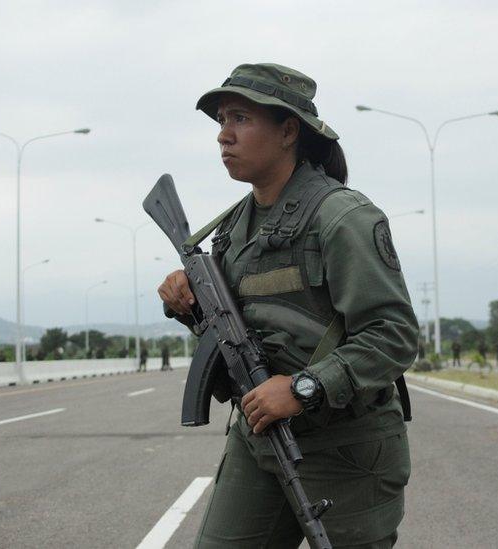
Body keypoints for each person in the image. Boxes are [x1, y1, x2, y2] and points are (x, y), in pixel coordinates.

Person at [158, 63, 417, 548]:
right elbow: (242, 336)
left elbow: (393, 335)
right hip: (261, 436)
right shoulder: (234, 229)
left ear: (288, 131)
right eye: (220, 122)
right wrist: (190, 306)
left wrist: (303, 387)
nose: (223, 136)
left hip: (346, 447)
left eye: (239, 118)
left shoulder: (342, 217)